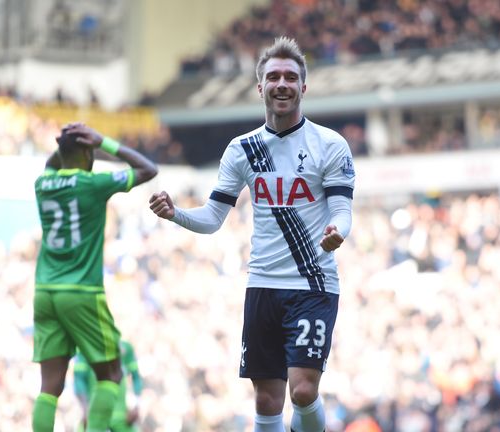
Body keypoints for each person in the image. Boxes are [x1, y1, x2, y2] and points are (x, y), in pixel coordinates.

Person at [149, 36, 355, 432]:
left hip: (313, 284)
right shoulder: (242, 150)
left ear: (303, 88)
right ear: (260, 87)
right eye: (274, 76)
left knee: (304, 392)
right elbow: (212, 218)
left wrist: (336, 231)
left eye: (291, 77)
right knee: (266, 399)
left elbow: (342, 211)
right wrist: (176, 214)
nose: (282, 84)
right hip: (262, 283)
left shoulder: (329, 145)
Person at [31, 123, 158, 432]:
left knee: (49, 386)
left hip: (45, 290)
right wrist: (105, 142)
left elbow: (53, 163)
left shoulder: (42, 183)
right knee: (112, 374)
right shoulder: (93, 183)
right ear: (89, 153)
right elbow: (148, 168)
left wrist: (67, 145)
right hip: (81, 291)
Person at [74, 339, 144, 432]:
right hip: (94, 415)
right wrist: (85, 409)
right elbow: (79, 379)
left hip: (121, 417)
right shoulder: (86, 348)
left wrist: (136, 406)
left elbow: (136, 377)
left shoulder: (126, 348)